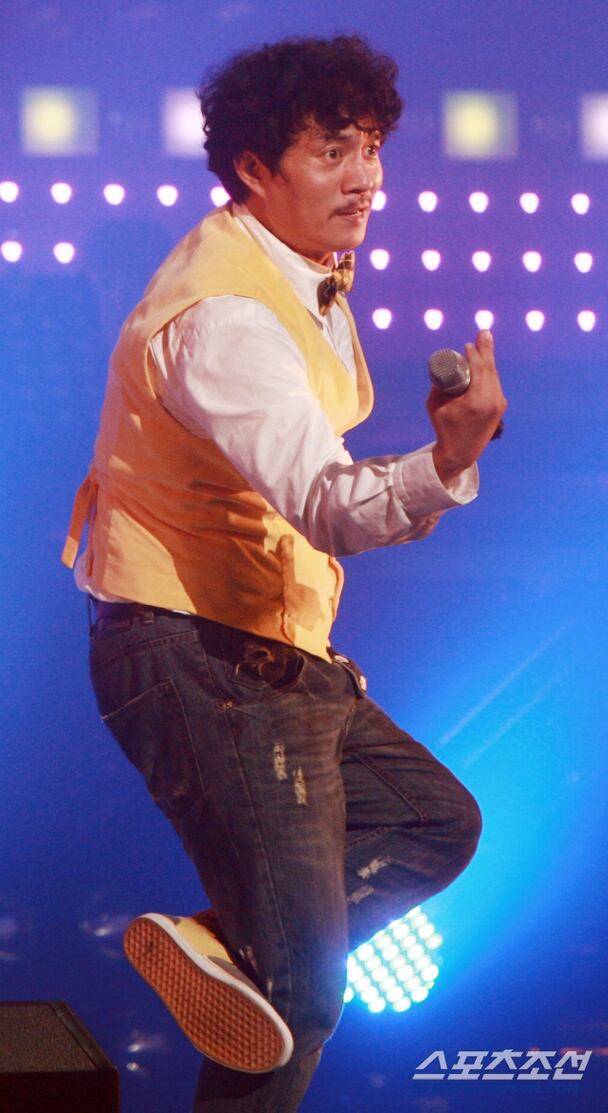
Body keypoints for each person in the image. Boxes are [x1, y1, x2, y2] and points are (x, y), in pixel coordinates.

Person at [62, 34, 506, 1113]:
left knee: (432, 824)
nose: (365, 178)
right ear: (256, 168)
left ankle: (224, 939)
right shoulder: (227, 317)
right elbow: (328, 506)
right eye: (331, 152)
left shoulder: (293, 277)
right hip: (199, 652)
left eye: (372, 148)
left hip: (267, 646)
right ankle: (257, 948)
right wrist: (450, 458)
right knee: (301, 995)